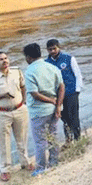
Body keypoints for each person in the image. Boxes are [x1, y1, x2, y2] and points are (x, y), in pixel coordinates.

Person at [0, 51, 34, 182]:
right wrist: (1, 96)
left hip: (20, 109)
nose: (4, 61)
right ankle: (5, 170)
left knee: (22, 138)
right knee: (3, 142)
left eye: (6, 58)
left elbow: (23, 87)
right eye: (0, 59)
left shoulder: (17, 72)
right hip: (1, 113)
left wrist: (24, 102)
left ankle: (25, 162)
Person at [23, 43, 65, 176]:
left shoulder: (30, 71)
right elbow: (61, 87)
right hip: (54, 109)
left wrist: (51, 100)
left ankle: (41, 167)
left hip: (39, 111)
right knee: (53, 135)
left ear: (28, 57)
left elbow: (34, 94)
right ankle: (54, 162)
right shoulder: (51, 67)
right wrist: (58, 104)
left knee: (40, 140)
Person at [45, 39, 83, 143]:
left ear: (58, 47)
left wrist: (77, 90)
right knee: (64, 116)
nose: (52, 51)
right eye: (50, 49)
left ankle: (78, 139)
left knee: (73, 116)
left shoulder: (69, 58)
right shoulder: (46, 63)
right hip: (56, 95)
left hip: (71, 92)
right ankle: (68, 139)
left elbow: (77, 74)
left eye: (54, 48)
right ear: (47, 50)